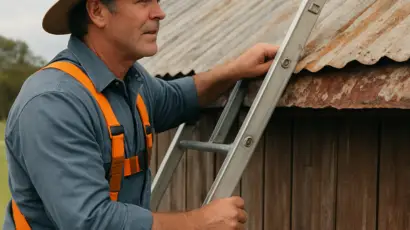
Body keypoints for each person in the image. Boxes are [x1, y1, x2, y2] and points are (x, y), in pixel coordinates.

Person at [3, 0, 279, 229]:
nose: (159, 12)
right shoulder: (53, 102)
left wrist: (235, 70)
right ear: (97, 11)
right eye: (143, 1)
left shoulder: (130, 80)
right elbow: (91, 222)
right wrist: (199, 221)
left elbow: (179, 98)